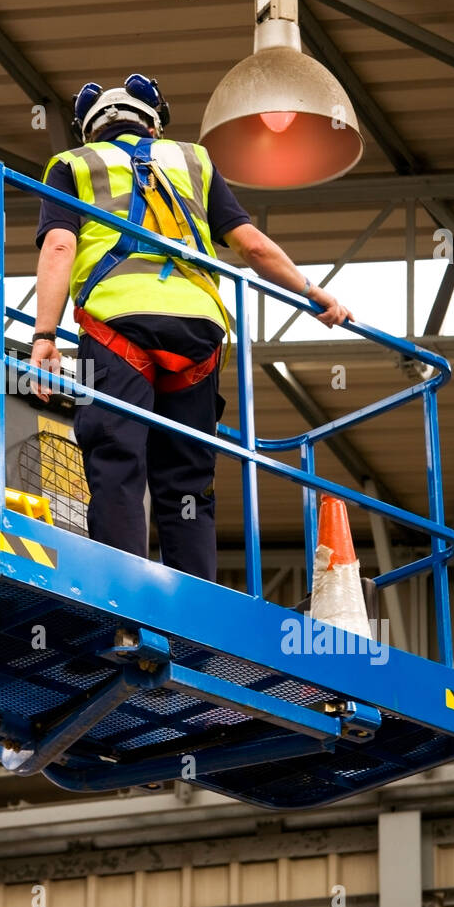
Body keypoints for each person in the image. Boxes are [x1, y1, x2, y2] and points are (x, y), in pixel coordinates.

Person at [29, 74, 352, 582]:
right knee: (187, 480)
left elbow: (59, 248)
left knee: (117, 461)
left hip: (118, 326)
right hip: (198, 333)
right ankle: (195, 605)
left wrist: (44, 337)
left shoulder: (73, 165)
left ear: (89, 130)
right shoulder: (194, 161)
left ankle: (123, 602)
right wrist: (311, 293)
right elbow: (253, 247)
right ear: (154, 123)